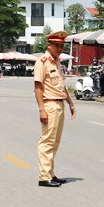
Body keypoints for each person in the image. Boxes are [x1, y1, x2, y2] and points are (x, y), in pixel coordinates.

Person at [33, 30, 76, 187]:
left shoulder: (57, 62)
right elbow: (38, 86)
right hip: (49, 104)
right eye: (57, 45)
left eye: (62, 46)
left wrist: (70, 103)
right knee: (47, 141)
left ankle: (50, 173)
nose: (59, 49)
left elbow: (61, 86)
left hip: (60, 104)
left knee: (55, 141)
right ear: (49, 45)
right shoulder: (42, 62)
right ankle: (44, 177)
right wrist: (41, 109)